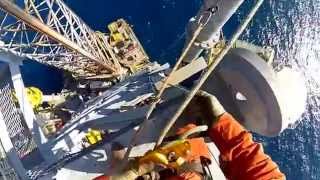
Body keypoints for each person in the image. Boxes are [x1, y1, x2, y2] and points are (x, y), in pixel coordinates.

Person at [94, 91, 285, 180]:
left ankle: (119, 166)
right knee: (188, 137)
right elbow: (257, 168)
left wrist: (130, 173)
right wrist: (220, 120)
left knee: (124, 168)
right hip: (194, 170)